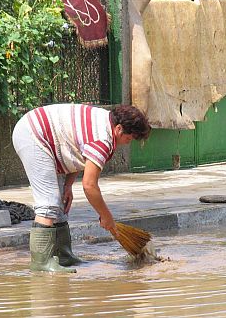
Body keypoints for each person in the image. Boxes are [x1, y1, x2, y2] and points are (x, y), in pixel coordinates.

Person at [12, 103, 151, 273]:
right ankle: (41, 263)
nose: (127, 144)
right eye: (128, 139)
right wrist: (106, 216)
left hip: (39, 132)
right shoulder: (103, 139)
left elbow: (77, 150)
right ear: (119, 129)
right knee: (48, 202)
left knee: (60, 203)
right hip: (33, 135)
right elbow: (89, 185)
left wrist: (68, 185)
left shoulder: (106, 120)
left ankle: (63, 256)